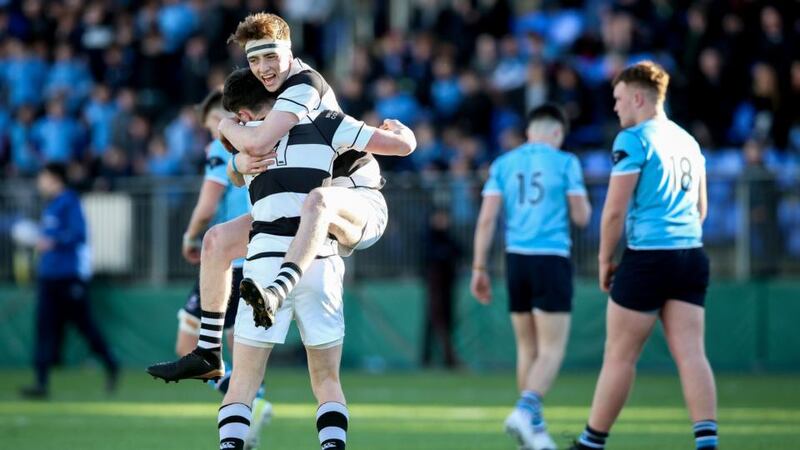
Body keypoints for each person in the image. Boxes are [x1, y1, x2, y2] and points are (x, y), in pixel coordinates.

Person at [147, 12, 396, 382]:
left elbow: (259, 143)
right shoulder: (270, 97)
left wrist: (226, 126)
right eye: (253, 59)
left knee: (318, 204)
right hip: (305, 201)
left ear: (289, 50)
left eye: (269, 56)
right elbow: (238, 169)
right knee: (216, 242)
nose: (262, 68)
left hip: (353, 198)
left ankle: (278, 289)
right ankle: (209, 352)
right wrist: (236, 158)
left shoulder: (304, 84)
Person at [211, 69, 415, 450]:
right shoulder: (295, 131)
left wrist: (229, 139)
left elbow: (237, 161)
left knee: (245, 382)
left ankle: (214, 339)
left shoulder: (261, 141)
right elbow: (399, 147)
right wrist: (406, 135)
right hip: (307, 254)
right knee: (320, 380)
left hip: (290, 249)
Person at [570, 61, 716, 450]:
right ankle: (707, 443)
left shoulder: (633, 140)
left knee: (620, 355)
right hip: (691, 254)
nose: (615, 108)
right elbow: (701, 209)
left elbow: (614, 211)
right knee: (691, 354)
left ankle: (590, 443)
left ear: (638, 97)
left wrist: (604, 261)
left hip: (648, 256)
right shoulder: (689, 140)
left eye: (618, 99)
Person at [471, 103, 591, 450]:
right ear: (557, 133)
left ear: (529, 132)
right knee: (552, 349)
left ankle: (534, 431)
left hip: (515, 261)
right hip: (551, 258)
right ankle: (525, 411)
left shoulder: (505, 162)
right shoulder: (566, 161)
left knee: (528, 346)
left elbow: (487, 220)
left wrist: (479, 268)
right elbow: (582, 216)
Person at [169, 89, 273, 449]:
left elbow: (206, 203)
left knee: (190, 341)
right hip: (262, 251)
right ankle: (246, 408)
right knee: (239, 341)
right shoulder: (264, 138)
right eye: (212, 123)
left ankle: (247, 405)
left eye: (219, 120)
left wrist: (190, 236)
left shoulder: (223, 146)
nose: (216, 128)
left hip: (231, 259)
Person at [20, 163, 118, 399]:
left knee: (85, 327)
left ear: (55, 179)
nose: (39, 182)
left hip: (69, 277)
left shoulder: (69, 201)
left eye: (43, 177)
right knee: (44, 329)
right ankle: (41, 383)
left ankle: (110, 364)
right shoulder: (50, 205)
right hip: (49, 277)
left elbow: (79, 234)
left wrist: (53, 241)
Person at [421, 208, 461, 368]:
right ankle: (440, 358)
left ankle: (443, 358)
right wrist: (445, 254)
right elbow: (431, 255)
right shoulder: (428, 236)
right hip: (435, 287)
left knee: (445, 321)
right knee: (436, 321)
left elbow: (460, 251)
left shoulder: (448, 236)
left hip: (448, 286)